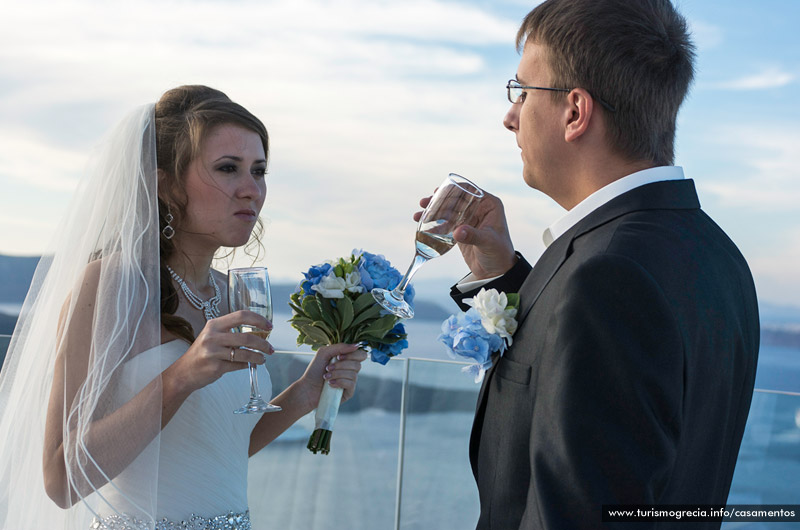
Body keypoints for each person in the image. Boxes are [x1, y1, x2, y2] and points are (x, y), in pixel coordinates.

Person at [420, 1, 760, 528]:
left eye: (522, 92)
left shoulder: (610, 276)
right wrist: (501, 274)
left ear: (575, 112)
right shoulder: (718, 254)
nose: (509, 116)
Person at [0, 85, 367, 529]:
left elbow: (215, 447)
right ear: (166, 184)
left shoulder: (231, 292)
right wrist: (181, 377)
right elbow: (62, 481)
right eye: (228, 168)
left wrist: (304, 395)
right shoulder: (112, 284)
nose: (252, 190)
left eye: (260, 169)